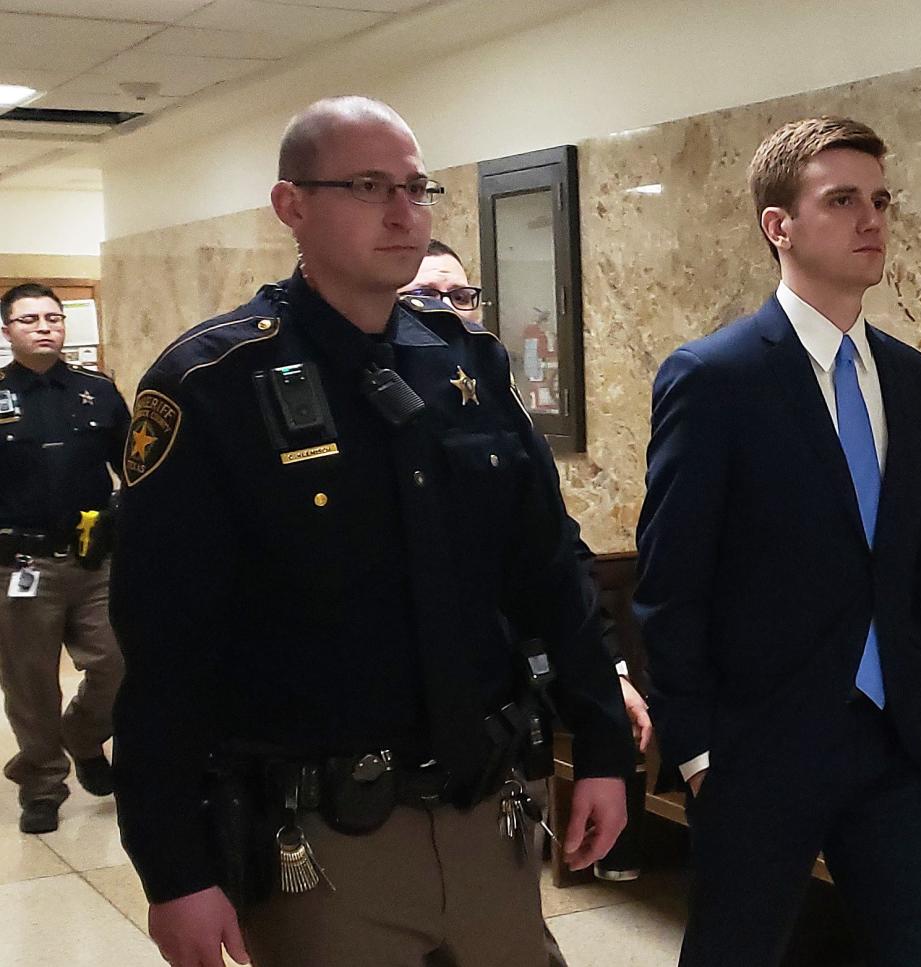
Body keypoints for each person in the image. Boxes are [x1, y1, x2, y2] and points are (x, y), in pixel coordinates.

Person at [110, 96, 631, 967]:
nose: (404, 212)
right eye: (366, 186)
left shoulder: (465, 360)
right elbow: (166, 656)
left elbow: (548, 573)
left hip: (489, 815)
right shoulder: (213, 385)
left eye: (416, 187)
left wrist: (605, 744)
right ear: (293, 207)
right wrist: (173, 870)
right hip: (322, 839)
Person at [634, 116, 921, 966]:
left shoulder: (909, 375)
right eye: (844, 200)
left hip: (899, 741)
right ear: (778, 226)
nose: (873, 221)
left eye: (881, 200)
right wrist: (700, 750)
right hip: (760, 749)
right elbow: (672, 582)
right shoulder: (716, 378)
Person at [404, 241, 653, 967]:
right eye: (425, 294)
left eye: (459, 295)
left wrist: (606, 674)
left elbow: (559, 560)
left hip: (502, 725)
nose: (445, 311)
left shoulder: (492, 408)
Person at [0, 283, 128, 835]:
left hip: (95, 559)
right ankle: (43, 783)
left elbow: (135, 465)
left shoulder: (97, 392)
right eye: (29, 319)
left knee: (118, 665)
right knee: (30, 684)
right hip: (20, 564)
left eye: (54, 317)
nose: (45, 327)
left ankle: (81, 735)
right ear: (7, 330)